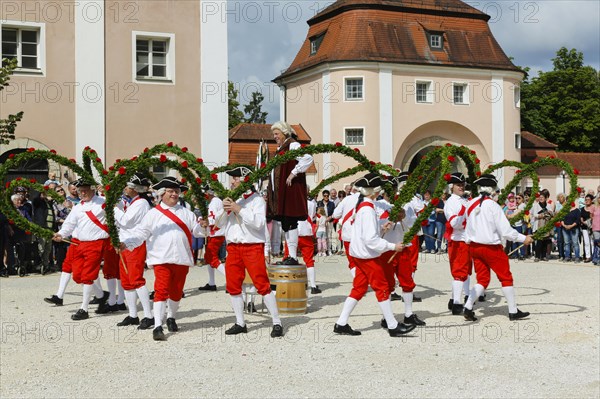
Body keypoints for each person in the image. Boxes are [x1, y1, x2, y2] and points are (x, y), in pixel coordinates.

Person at [121, 176, 204, 341]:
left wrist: (204, 226)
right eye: (170, 191)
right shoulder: (152, 214)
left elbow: (198, 232)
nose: (174, 194)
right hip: (161, 258)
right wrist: (127, 243)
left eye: (176, 191)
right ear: (162, 194)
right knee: (161, 291)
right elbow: (141, 233)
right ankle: (158, 325)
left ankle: (171, 317)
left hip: (181, 257)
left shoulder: (187, 213)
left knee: (176, 292)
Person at [333, 173, 416, 337]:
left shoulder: (362, 204)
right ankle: (392, 325)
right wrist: (393, 246)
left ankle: (341, 323)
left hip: (358, 253)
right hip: (367, 255)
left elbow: (364, 231)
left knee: (359, 288)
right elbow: (370, 239)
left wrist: (380, 226)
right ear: (375, 191)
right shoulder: (368, 208)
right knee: (382, 287)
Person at [215, 166, 283, 338]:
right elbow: (218, 224)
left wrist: (239, 209)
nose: (232, 181)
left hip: (252, 246)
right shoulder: (231, 199)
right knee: (233, 286)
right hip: (233, 247)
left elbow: (259, 223)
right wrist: (224, 210)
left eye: (236, 178)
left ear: (245, 179)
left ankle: (276, 322)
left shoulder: (257, 200)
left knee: (262, 284)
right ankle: (240, 322)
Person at [463, 174, 533, 322]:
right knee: (505, 277)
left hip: (474, 247)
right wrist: (523, 238)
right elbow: (506, 231)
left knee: (482, 279)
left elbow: (467, 227)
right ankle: (513, 311)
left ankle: (468, 306)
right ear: (492, 189)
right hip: (491, 248)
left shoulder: (470, 203)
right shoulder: (493, 206)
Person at [49, 179, 111, 319]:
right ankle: (101, 297)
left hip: (96, 243)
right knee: (77, 275)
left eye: (85, 190)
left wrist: (107, 191)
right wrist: (61, 234)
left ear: (92, 189)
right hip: (80, 244)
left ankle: (84, 309)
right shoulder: (77, 207)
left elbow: (116, 209)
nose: (83, 193)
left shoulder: (102, 202)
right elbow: (70, 223)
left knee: (88, 275)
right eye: (80, 190)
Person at [267, 121, 314, 265]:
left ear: (284, 133)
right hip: (281, 192)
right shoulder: (280, 149)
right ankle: (290, 256)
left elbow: (308, 158)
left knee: (291, 221)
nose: (275, 136)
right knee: (286, 223)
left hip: (290, 190)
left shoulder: (292, 145)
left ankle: (293, 256)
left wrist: (293, 173)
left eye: (277, 134)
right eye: (274, 134)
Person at [112, 173, 154, 329]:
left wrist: (113, 209)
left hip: (134, 244)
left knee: (136, 279)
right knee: (127, 282)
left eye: (128, 186)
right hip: (126, 244)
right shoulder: (134, 202)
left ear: (135, 189)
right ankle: (133, 314)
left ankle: (149, 315)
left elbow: (125, 220)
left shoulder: (141, 203)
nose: (125, 188)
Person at [443, 173, 472, 315]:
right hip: (458, 240)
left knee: (465, 271)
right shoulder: (451, 202)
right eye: (458, 185)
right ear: (451, 187)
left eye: (462, 184)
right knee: (459, 272)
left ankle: (458, 298)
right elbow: (454, 223)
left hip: (466, 239)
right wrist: (464, 212)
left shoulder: (463, 200)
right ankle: (456, 303)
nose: (461, 187)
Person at [198, 185, 226, 291]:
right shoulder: (216, 201)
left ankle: (230, 279)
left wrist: (204, 221)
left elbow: (213, 218)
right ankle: (212, 282)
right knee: (208, 256)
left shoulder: (214, 202)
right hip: (215, 233)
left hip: (216, 233)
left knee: (212, 257)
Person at [531, 190, 554, 261]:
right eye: (540, 197)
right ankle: (537, 256)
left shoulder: (548, 205)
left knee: (545, 241)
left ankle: (543, 256)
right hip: (538, 224)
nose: (541, 198)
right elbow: (534, 214)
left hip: (546, 225)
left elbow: (551, 213)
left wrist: (548, 214)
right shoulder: (536, 205)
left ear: (545, 198)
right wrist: (542, 215)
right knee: (539, 241)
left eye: (542, 197)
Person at [580, 194, 595, 262]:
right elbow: (581, 217)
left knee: (592, 242)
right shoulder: (582, 208)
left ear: (591, 200)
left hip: (593, 227)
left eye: (588, 200)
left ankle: (594, 256)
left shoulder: (594, 207)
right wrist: (582, 221)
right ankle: (588, 256)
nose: (587, 201)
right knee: (586, 242)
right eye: (586, 200)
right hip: (584, 227)